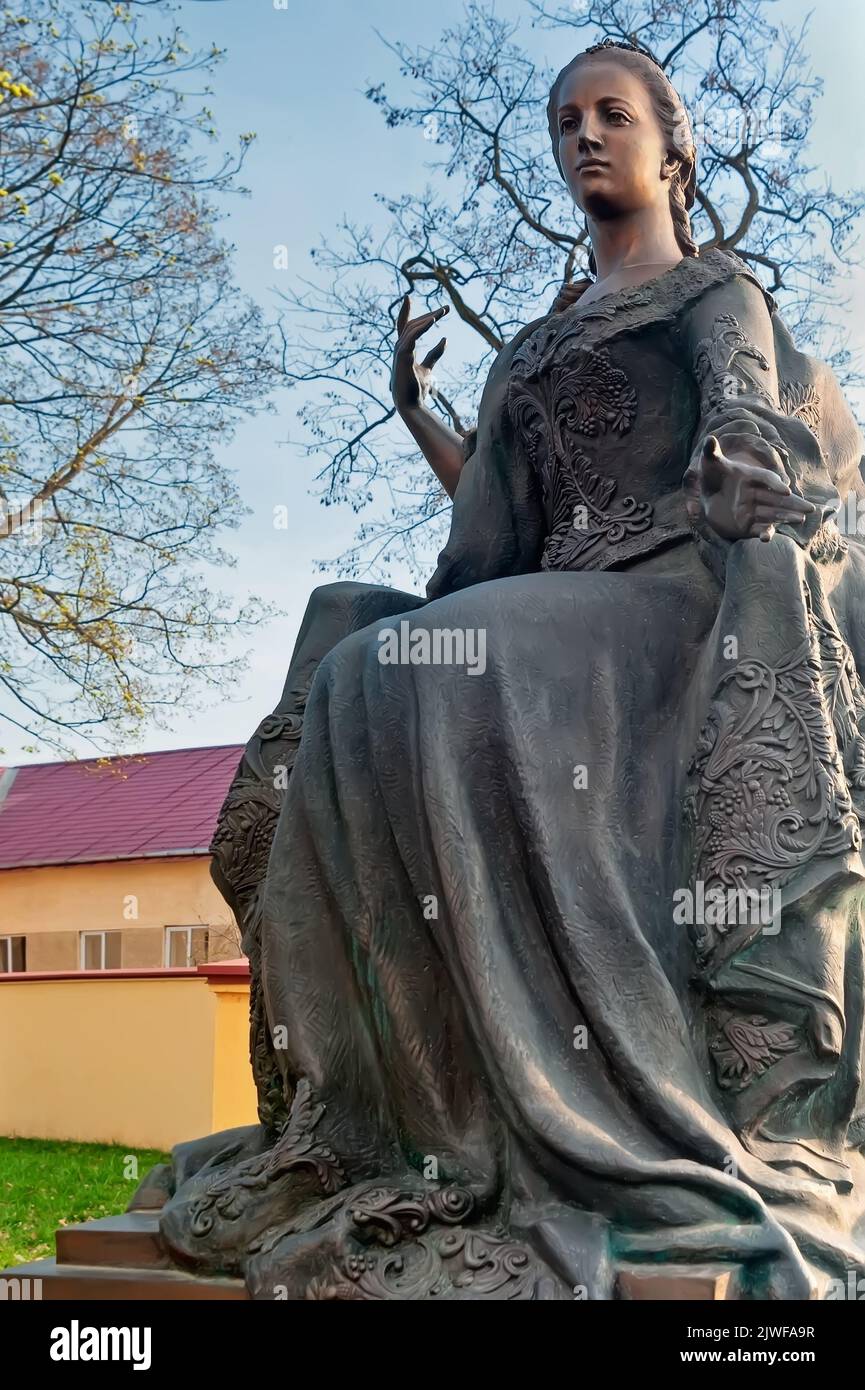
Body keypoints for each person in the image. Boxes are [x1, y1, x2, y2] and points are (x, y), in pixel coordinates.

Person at [159, 40, 865, 1301]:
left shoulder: (715, 292)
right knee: (352, 647)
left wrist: (739, 471)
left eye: (610, 115)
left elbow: (745, 412)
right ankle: (383, 1122)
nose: (584, 136)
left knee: (423, 668)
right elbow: (483, 551)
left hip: (670, 611)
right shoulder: (525, 352)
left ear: (671, 144)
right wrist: (430, 422)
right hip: (547, 613)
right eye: (563, 123)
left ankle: (590, 1119)